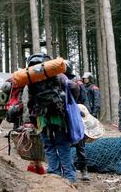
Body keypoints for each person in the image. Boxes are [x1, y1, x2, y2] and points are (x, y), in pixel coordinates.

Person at [26, 53, 78, 183]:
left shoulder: (31, 80)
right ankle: (70, 177)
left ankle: (54, 175)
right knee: (63, 145)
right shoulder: (58, 75)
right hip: (58, 117)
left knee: (48, 146)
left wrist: (32, 120)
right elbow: (74, 87)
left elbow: (30, 102)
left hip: (42, 118)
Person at [65, 61, 90, 181]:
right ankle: (69, 170)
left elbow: (85, 102)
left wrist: (84, 114)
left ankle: (84, 170)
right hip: (64, 117)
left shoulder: (77, 83)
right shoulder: (59, 81)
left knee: (80, 145)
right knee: (65, 144)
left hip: (76, 117)